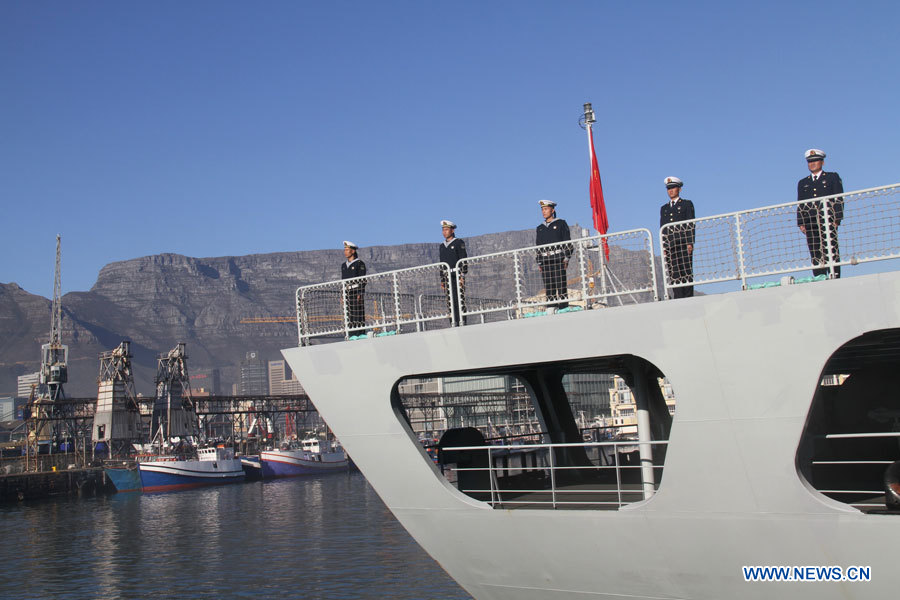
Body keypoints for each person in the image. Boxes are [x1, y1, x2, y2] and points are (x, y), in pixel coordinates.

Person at [797, 148, 844, 278]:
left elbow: (838, 198)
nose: (812, 164)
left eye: (815, 161)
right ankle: (819, 277)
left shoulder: (832, 177)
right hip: (810, 221)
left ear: (822, 162)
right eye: (809, 162)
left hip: (827, 218)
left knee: (831, 248)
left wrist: (837, 218)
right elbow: (801, 203)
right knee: (815, 250)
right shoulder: (803, 183)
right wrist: (801, 222)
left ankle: (834, 274)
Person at [660, 177, 695, 299]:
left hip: (683, 243)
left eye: (673, 188)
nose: (670, 191)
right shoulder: (664, 209)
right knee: (674, 272)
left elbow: (690, 224)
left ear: (679, 189)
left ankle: (688, 296)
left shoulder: (686, 204)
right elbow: (663, 229)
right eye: (668, 188)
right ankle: (678, 297)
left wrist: (690, 242)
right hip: (671, 245)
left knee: (685, 270)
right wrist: (664, 246)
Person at [535, 200, 572, 311]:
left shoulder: (561, 223)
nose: (543, 212)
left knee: (560, 283)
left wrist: (566, 257)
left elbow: (567, 242)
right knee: (548, 285)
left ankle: (563, 307)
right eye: (542, 209)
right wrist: (539, 261)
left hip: (558, 258)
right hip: (546, 259)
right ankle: (551, 307)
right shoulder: (540, 228)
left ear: (552, 210)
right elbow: (538, 246)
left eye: (546, 209)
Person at [438, 220, 468, 325]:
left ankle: (462, 321)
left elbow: (463, 260)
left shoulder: (458, 242)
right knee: (450, 301)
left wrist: (462, 276)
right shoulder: (442, 246)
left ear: (452, 230)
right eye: (443, 230)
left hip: (456, 275)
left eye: (446, 229)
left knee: (459, 299)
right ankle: (453, 321)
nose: (444, 232)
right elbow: (441, 263)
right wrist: (442, 279)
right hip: (447, 277)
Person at [340, 241, 366, 333]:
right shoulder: (343, 266)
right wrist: (342, 295)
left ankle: (359, 333)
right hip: (347, 293)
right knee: (349, 314)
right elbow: (342, 281)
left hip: (355, 292)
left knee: (357, 313)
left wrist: (360, 293)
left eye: (347, 250)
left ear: (353, 251)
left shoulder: (359, 263)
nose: (345, 252)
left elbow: (362, 280)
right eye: (345, 250)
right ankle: (350, 333)